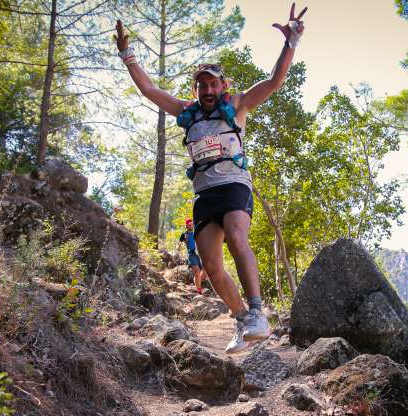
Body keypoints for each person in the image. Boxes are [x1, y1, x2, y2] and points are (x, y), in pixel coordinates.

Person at [114, 3, 307, 354]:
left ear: (223, 86)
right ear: (195, 90)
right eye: (201, 85)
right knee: (211, 265)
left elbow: (276, 80)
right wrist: (127, 55)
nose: (206, 90)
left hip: (234, 186)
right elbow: (150, 91)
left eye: (212, 84)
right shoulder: (186, 114)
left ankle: (258, 311)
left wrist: (290, 42)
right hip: (205, 194)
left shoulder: (239, 105)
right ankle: (241, 319)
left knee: (236, 236)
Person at [178, 218, 205, 295]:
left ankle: (196, 280)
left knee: (205, 272)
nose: (191, 226)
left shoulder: (197, 232)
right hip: (191, 254)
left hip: (200, 254)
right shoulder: (184, 235)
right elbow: (179, 243)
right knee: (197, 272)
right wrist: (178, 247)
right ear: (186, 226)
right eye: (189, 225)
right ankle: (199, 291)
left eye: (192, 224)